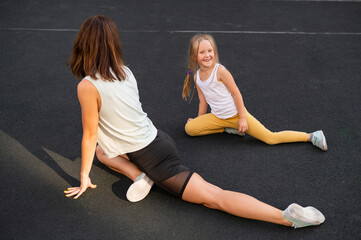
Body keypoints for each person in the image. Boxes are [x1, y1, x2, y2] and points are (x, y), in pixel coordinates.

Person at [64, 15, 325, 229]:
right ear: (112, 44)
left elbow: (89, 134)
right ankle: (140, 176)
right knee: (103, 152)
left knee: (214, 198)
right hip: (159, 140)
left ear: (83, 44)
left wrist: (84, 177)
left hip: (155, 159)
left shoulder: (88, 86)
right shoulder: (125, 72)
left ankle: (284, 216)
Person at [182, 34, 327, 151]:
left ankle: (311, 136)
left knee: (270, 138)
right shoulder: (197, 77)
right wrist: (199, 120)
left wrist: (242, 118)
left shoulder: (220, 71)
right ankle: (226, 128)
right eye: (202, 52)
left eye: (210, 51)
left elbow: (236, 94)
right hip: (217, 117)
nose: (207, 55)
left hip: (236, 115)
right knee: (190, 129)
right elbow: (203, 101)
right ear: (194, 56)